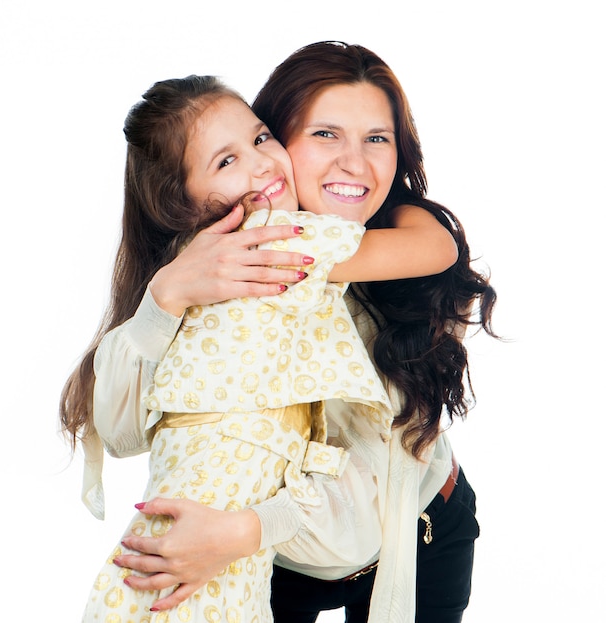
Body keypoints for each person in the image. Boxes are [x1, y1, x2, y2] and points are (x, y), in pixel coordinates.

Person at [108, 42, 498, 623]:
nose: (355, 163)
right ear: (283, 134)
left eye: (377, 138)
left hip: (418, 531)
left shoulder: (410, 268)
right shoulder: (211, 269)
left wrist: (246, 529)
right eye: (324, 134)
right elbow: (119, 429)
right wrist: (165, 295)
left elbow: (367, 494)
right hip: (273, 555)